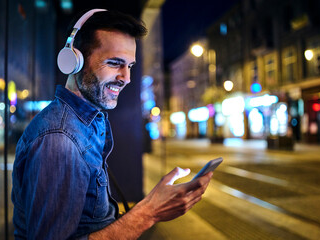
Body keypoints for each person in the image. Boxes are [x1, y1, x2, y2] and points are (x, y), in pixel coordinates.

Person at [11, 9, 213, 240]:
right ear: (74, 61)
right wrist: (148, 214)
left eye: (130, 66)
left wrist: (150, 204)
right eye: (115, 63)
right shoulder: (60, 140)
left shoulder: (87, 123)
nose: (126, 77)